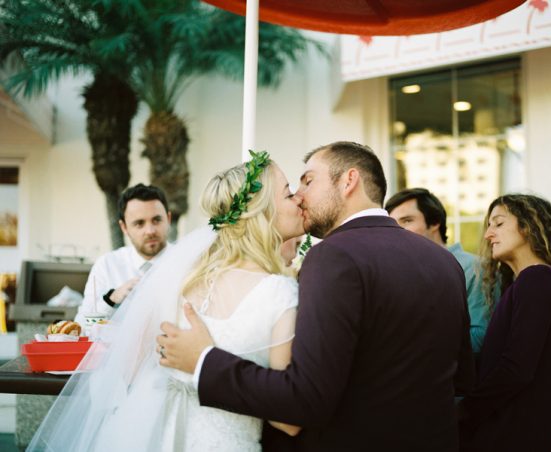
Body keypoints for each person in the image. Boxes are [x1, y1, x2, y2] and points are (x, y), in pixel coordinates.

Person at [158, 141, 475, 451]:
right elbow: (462, 378)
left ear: (349, 181)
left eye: (308, 181)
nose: (299, 194)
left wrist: (204, 362)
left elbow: (305, 399)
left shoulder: (333, 257)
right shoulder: (445, 262)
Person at [27, 151, 305, 451]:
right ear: (261, 212)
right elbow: (288, 418)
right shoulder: (280, 293)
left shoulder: (182, 277)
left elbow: (132, 366)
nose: (299, 199)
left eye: (157, 220)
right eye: (289, 193)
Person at [457, 194, 551, 452]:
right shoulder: (533, 282)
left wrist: (463, 412)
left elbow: (517, 367)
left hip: (510, 434)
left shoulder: (537, 280)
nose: (488, 235)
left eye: (499, 223)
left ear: (527, 226)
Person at [385, 188, 489, 354]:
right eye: (393, 224)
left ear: (434, 222)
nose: (397, 230)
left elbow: (480, 338)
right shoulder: (398, 273)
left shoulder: (473, 267)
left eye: (406, 221)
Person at [74, 183, 171, 324]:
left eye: (157, 220)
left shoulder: (191, 263)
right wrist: (111, 300)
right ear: (124, 227)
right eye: (139, 223)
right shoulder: (107, 266)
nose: (150, 230)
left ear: (168, 219)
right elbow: (82, 327)